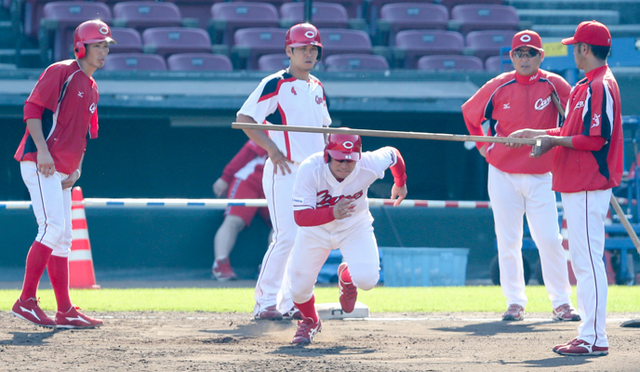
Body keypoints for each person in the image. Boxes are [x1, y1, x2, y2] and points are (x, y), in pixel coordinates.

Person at [509, 21, 622, 356]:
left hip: (588, 182)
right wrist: (538, 133)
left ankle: (594, 336)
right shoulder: (587, 84)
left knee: (588, 263)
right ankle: (588, 333)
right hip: (578, 182)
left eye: (576, 45)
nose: (574, 50)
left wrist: (553, 140)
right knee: (586, 261)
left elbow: (596, 139)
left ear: (585, 49)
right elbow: (576, 130)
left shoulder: (600, 85)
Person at [461, 30, 580, 322]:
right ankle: (515, 301)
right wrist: (484, 148)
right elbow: (470, 115)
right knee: (508, 239)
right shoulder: (498, 85)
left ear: (541, 55)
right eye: (519, 53)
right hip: (502, 172)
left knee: (550, 239)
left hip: (542, 174)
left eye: (531, 53)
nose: (524, 58)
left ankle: (561, 302)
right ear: (512, 56)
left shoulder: (556, 84)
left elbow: (575, 119)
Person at [11, 19, 115, 329]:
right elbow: (32, 110)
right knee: (52, 228)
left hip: (64, 170)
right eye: (98, 45)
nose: (103, 52)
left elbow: (83, 134)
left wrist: (78, 166)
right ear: (80, 46)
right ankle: (26, 301)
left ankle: (65, 310)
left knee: (64, 239)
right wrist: (42, 150)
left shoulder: (93, 87)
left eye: (106, 46)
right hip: (40, 162)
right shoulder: (62, 71)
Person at [236, 23, 331, 320]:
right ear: (289, 51)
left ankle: (292, 302)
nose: (309, 53)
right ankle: (265, 302)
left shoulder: (317, 86)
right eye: (303, 48)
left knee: (305, 240)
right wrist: (271, 149)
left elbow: (325, 129)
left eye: (313, 49)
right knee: (286, 236)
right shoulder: (275, 83)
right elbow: (244, 118)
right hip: (286, 170)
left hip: (314, 173)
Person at [287, 133, 407, 344]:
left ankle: (347, 276)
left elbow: (394, 154)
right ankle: (310, 320)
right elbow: (300, 216)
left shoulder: (368, 163)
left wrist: (400, 181)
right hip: (315, 230)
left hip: (355, 226)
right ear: (327, 155)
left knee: (368, 280)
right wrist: (332, 212)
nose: (344, 164)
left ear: (358, 157)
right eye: (339, 158)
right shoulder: (310, 168)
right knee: (297, 289)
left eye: (350, 159)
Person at [211, 139, 270, 281]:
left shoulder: (310, 130)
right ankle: (220, 264)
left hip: (279, 181)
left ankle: (270, 268)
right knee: (234, 221)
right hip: (251, 179)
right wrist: (225, 177)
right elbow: (247, 153)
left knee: (283, 226)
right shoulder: (275, 122)